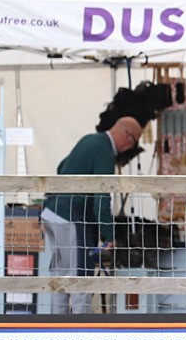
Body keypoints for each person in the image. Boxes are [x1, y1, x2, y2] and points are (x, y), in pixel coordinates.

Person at [42, 116, 143, 314]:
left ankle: (57, 324)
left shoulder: (89, 140)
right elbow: (102, 198)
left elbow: (61, 168)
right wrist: (109, 234)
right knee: (81, 274)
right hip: (70, 215)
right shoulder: (105, 153)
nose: (130, 148)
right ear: (127, 137)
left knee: (60, 273)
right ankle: (82, 328)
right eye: (133, 143)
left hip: (51, 211)